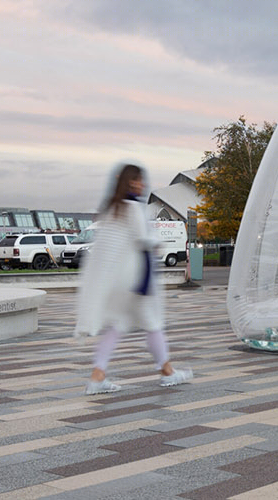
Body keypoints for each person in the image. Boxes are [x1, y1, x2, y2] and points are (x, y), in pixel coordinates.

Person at [74, 163, 193, 395]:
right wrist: (157, 242)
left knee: (117, 326)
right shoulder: (133, 208)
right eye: (139, 180)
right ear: (130, 182)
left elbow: (107, 248)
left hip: (119, 281)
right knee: (153, 324)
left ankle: (98, 376)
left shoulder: (113, 208)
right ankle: (168, 373)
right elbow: (142, 239)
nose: (143, 184)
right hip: (137, 280)